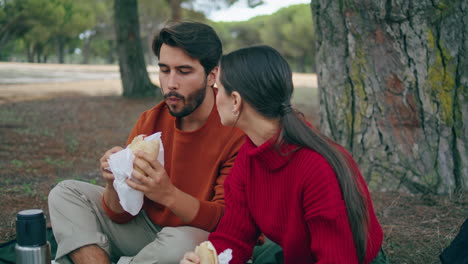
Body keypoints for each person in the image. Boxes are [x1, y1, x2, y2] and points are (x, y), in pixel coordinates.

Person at [48, 21, 245, 264]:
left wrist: (168, 194)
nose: (171, 83)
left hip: (197, 238)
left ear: (211, 75)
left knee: (182, 244)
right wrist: (114, 184)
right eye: (164, 70)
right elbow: (120, 214)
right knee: (65, 193)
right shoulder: (151, 120)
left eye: (183, 71)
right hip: (145, 230)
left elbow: (228, 221)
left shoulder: (235, 130)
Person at [181, 45, 385, 264]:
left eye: (218, 88)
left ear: (236, 101)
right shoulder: (249, 158)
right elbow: (233, 238)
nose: (214, 96)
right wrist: (208, 259)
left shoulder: (315, 168)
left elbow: (337, 258)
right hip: (296, 253)